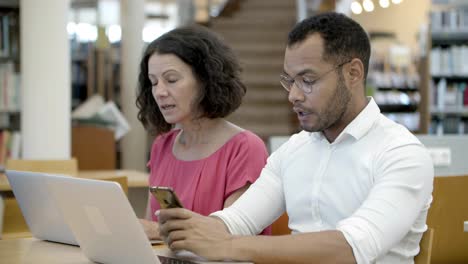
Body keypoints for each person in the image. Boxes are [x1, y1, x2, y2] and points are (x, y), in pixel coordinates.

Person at [157, 12, 434, 263]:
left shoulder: (402, 153)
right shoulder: (294, 150)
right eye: (290, 81)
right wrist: (192, 229)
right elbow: (237, 220)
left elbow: (350, 248)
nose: (294, 95)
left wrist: (228, 245)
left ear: (353, 73)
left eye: (308, 80)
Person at [136, 25, 270, 239]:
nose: (159, 92)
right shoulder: (162, 145)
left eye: (171, 80)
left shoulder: (244, 148)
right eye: (153, 82)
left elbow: (234, 237)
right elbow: (151, 230)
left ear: (205, 80)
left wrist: (155, 231)